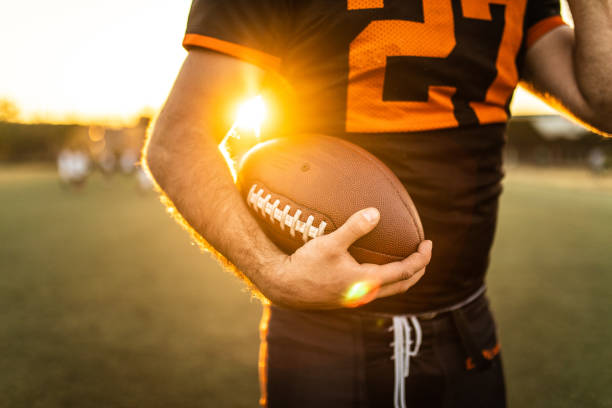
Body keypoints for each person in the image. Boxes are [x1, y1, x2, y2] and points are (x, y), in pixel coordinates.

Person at [144, 1, 612, 407]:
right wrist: (270, 271)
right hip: (322, 337)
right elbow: (178, 138)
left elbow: (604, 100)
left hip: (468, 328)